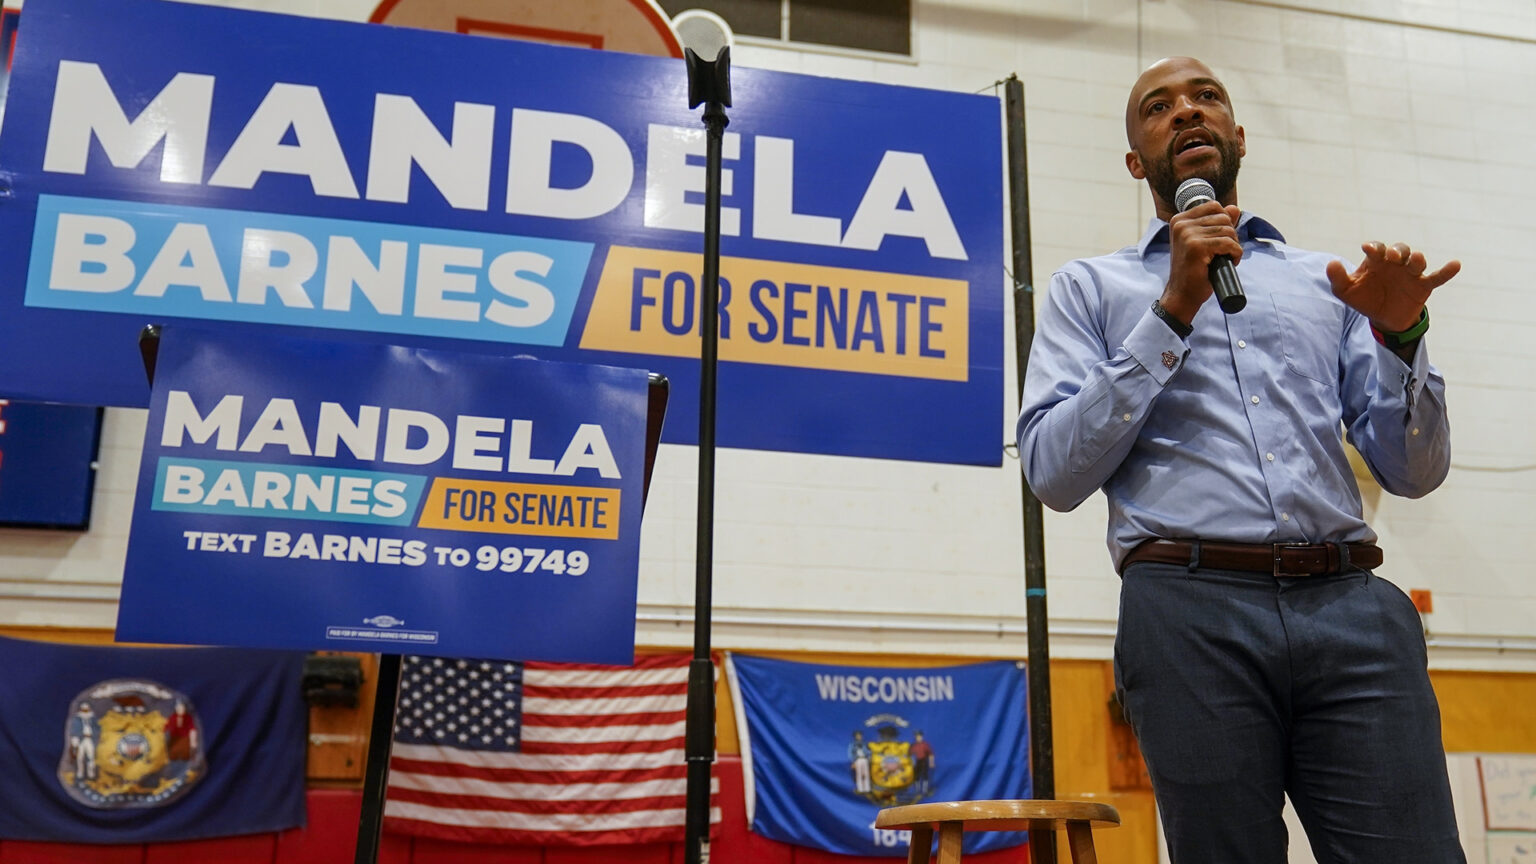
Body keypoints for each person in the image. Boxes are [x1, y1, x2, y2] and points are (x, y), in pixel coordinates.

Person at [1016, 56, 1465, 864]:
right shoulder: (1090, 289)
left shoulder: (1329, 283)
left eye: (1206, 98)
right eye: (1159, 107)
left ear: (1238, 135)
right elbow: (1051, 470)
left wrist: (1403, 339)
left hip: (1350, 603)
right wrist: (1172, 311)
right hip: (1189, 611)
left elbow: (1415, 471)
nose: (1186, 112)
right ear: (1134, 159)